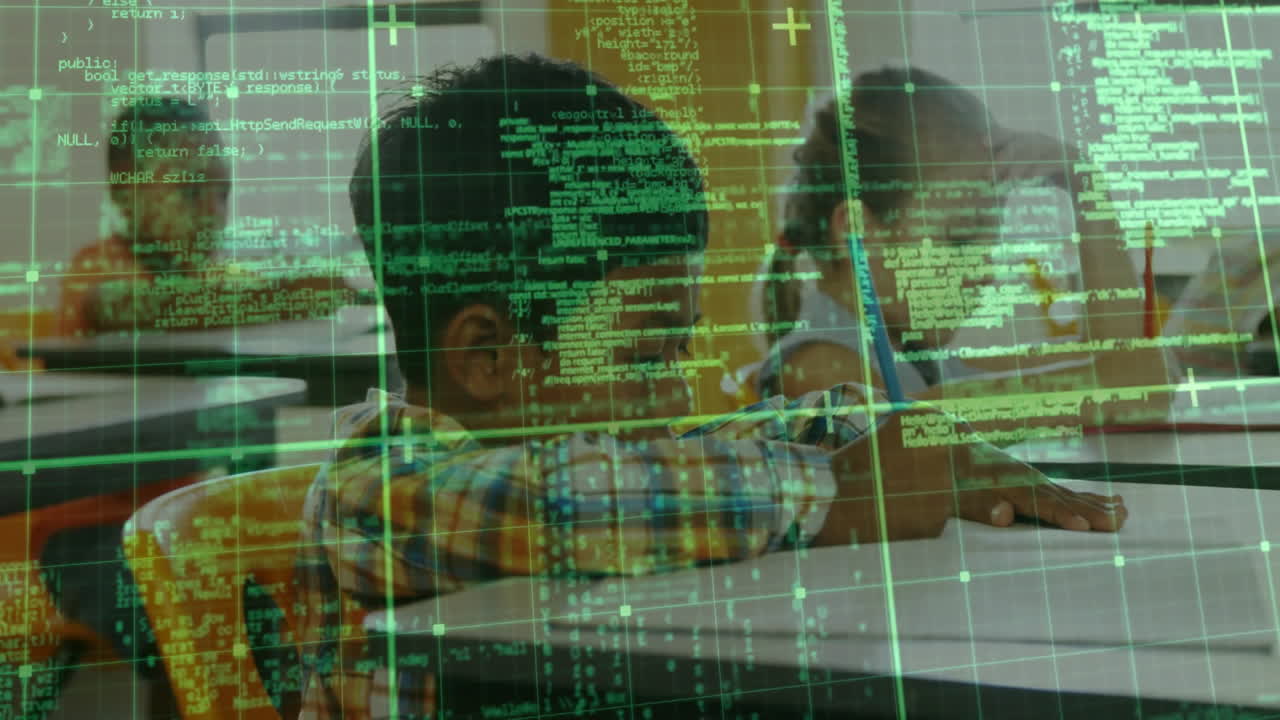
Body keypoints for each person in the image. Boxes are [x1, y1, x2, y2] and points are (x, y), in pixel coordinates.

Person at [297, 54, 1128, 719]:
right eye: (643, 359)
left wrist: (870, 437)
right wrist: (842, 486)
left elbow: (721, 441)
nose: (666, 397)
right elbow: (577, 500)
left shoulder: (582, 447)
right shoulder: (380, 493)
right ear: (490, 356)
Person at [754, 67, 1176, 440]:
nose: (984, 273)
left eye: (988, 245)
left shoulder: (920, 360)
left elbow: (1125, 362)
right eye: (958, 240)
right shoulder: (815, 370)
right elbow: (1132, 381)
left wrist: (1084, 186)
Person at [58, 96, 356, 337]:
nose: (214, 212)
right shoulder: (96, 267)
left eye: (223, 194)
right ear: (125, 191)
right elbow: (129, 306)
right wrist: (287, 296)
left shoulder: (222, 276)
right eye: (191, 192)